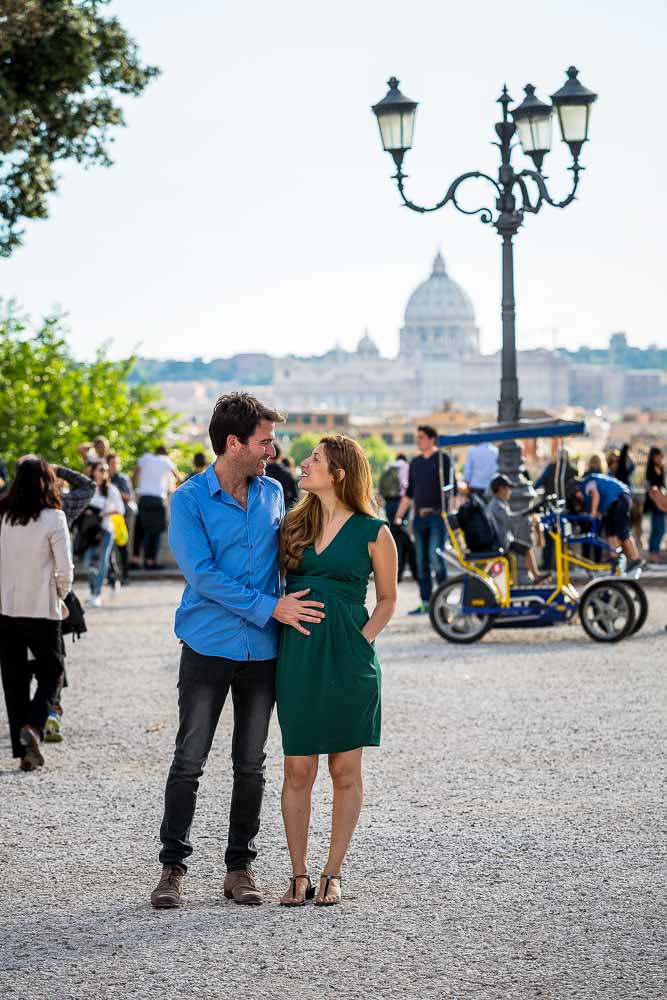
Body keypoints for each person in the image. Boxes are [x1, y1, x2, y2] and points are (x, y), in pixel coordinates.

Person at [151, 392, 325, 910]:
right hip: (207, 645)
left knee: (251, 764)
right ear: (234, 443)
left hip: (264, 652)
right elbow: (202, 576)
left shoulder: (274, 493)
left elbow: (294, 555)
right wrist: (269, 608)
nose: (273, 449)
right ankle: (172, 869)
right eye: (265, 440)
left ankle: (239, 868)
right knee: (189, 760)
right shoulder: (189, 499)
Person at [277, 436, 397, 907]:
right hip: (299, 658)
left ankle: (333, 872)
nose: (305, 465)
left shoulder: (374, 531)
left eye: (316, 461)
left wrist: (358, 641)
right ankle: (298, 873)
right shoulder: (292, 525)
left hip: (350, 661)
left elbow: (387, 600)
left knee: (345, 770)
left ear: (339, 473)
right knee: (297, 768)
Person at [0, 458, 73, 771]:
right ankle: (33, 726)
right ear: (47, 482)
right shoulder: (54, 517)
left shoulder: (2, 516)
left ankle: (23, 751)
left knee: (13, 677)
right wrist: (60, 594)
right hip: (42, 607)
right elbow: (65, 569)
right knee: (52, 669)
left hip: (5, 607)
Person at [393, 425, 457, 615]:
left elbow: (452, 490)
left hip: (438, 517)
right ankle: (426, 603)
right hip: (419, 519)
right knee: (421, 562)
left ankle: (443, 602)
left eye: (421, 437)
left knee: (435, 558)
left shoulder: (443, 459)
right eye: (417, 437)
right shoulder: (415, 463)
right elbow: (409, 493)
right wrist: (398, 516)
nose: (418, 441)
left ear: (432, 439)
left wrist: (452, 513)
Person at [568, 473, 642, 571]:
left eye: (577, 496)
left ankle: (635, 558)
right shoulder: (589, 484)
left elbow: (595, 495)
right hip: (615, 502)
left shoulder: (587, 484)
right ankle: (614, 557)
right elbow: (602, 499)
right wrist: (599, 512)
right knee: (610, 531)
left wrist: (593, 512)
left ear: (577, 490)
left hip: (620, 499)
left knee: (622, 531)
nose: (579, 498)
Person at [487, 475, 549, 583]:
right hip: (500, 543)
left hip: (507, 540)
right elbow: (510, 520)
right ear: (501, 489)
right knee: (503, 566)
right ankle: (500, 583)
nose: (510, 491)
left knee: (526, 549)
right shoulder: (496, 504)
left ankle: (536, 576)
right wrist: (528, 512)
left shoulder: (501, 502)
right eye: (508, 488)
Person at [132, 446, 183, 569]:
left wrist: (137, 486)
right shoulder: (166, 460)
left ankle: (135, 560)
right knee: (155, 532)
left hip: (143, 498)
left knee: (140, 531)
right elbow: (179, 477)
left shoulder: (144, 458)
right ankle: (150, 561)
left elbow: (134, 474)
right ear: (165, 453)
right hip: (157, 500)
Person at [81, 462, 125, 607]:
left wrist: (104, 513)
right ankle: (105, 584)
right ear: (93, 472)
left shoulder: (111, 490)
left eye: (105, 470)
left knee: (101, 561)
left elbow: (121, 509)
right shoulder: (88, 488)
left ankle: (96, 593)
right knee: (88, 562)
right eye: (101, 470)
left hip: (105, 530)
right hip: (89, 531)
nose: (103, 472)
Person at [534, 449, 577, 570]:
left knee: (549, 538)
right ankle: (565, 565)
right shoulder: (573, 471)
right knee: (565, 539)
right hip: (566, 510)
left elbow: (538, 483)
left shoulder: (551, 468)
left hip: (550, 508)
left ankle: (547, 565)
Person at [379, 453, 415, 583]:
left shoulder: (388, 467)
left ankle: (397, 572)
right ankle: (409, 567)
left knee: (396, 535)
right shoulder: (406, 466)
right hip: (401, 503)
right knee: (404, 535)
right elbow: (408, 488)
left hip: (389, 504)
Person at [108, 454, 135, 584]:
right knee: (108, 548)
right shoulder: (103, 478)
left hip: (120, 518)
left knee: (122, 547)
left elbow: (128, 496)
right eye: (112, 463)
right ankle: (111, 576)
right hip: (106, 518)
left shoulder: (122, 479)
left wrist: (114, 491)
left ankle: (125, 575)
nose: (114, 466)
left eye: (116, 463)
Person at [643, 447, 665, 563]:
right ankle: (653, 553)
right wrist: (659, 502)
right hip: (656, 503)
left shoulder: (660, 468)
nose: (662, 458)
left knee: (659, 529)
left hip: (660, 502)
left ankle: (654, 553)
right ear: (654, 457)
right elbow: (652, 489)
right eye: (660, 456)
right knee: (658, 530)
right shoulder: (651, 470)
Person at [266, 443, 299, 510]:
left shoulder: (262, 472)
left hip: (266, 509)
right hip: (283, 508)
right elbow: (294, 496)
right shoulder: (287, 473)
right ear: (279, 455)